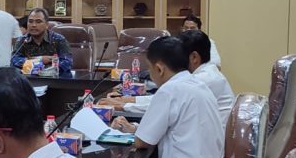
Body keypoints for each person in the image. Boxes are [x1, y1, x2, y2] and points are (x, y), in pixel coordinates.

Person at [109, 37, 224, 158]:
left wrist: (132, 132)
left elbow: (142, 142)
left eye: (150, 69)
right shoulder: (198, 86)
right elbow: (172, 128)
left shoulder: (170, 90)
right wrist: (133, 128)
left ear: (159, 69)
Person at [100, 30, 235, 128]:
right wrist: (127, 99)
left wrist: (123, 105)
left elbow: (162, 104)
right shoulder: (206, 73)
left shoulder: (203, 79)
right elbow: (162, 99)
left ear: (194, 57)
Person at [10, 7, 73, 73]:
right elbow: (14, 61)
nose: (33, 25)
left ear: (47, 25)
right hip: (29, 77)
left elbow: (67, 63)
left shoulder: (58, 40)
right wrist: (39, 60)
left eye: (38, 22)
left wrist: (41, 68)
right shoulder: (23, 40)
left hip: (53, 77)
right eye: (30, 21)